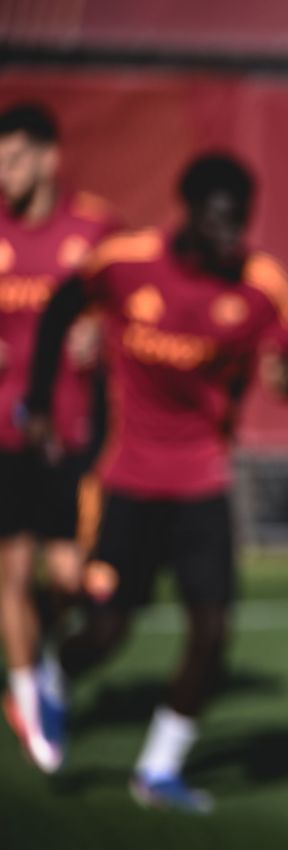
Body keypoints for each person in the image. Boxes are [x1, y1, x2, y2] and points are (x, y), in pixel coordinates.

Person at [22, 152, 288, 812]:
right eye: (219, 222)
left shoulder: (259, 282)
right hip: (127, 479)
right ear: (188, 213)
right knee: (107, 633)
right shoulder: (127, 261)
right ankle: (53, 674)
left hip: (202, 481)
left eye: (240, 224)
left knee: (212, 634)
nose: (230, 237)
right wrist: (41, 396)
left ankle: (158, 770)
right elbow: (61, 304)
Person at [0, 102, 116, 773]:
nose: (5, 172)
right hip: (3, 432)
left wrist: (101, 334)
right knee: (12, 569)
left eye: (14, 157)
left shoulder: (95, 229)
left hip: (69, 430)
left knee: (70, 576)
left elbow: (130, 305)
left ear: (49, 157)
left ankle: (43, 662)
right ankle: (27, 702)